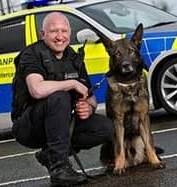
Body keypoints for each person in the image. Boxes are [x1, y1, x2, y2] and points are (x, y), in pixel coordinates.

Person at [11, 12, 114, 186]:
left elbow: (89, 97)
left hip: (62, 123)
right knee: (59, 97)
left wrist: (88, 108)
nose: (60, 37)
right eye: (53, 31)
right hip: (29, 126)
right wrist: (71, 83)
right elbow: (36, 89)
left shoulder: (73, 58)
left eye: (64, 31)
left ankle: (50, 154)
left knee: (106, 128)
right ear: (43, 34)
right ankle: (59, 168)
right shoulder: (31, 54)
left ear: (70, 33)